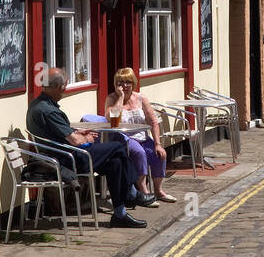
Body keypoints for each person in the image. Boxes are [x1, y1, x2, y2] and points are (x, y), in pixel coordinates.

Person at [27, 67, 151, 229]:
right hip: (67, 159)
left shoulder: (38, 105)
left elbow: (60, 133)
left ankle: (120, 213)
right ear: (58, 87)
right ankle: (131, 192)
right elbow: (75, 141)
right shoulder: (49, 111)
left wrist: (79, 131)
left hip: (61, 155)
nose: (64, 91)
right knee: (118, 147)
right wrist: (84, 137)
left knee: (116, 163)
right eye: (64, 87)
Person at [104, 68, 175, 202]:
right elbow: (114, 122)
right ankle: (144, 192)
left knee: (159, 154)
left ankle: (159, 191)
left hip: (142, 136)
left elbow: (153, 121)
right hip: (123, 138)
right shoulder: (111, 98)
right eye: (120, 82)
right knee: (139, 153)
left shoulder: (141, 98)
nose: (124, 85)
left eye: (128, 82)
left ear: (133, 83)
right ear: (116, 84)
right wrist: (120, 98)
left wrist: (158, 144)